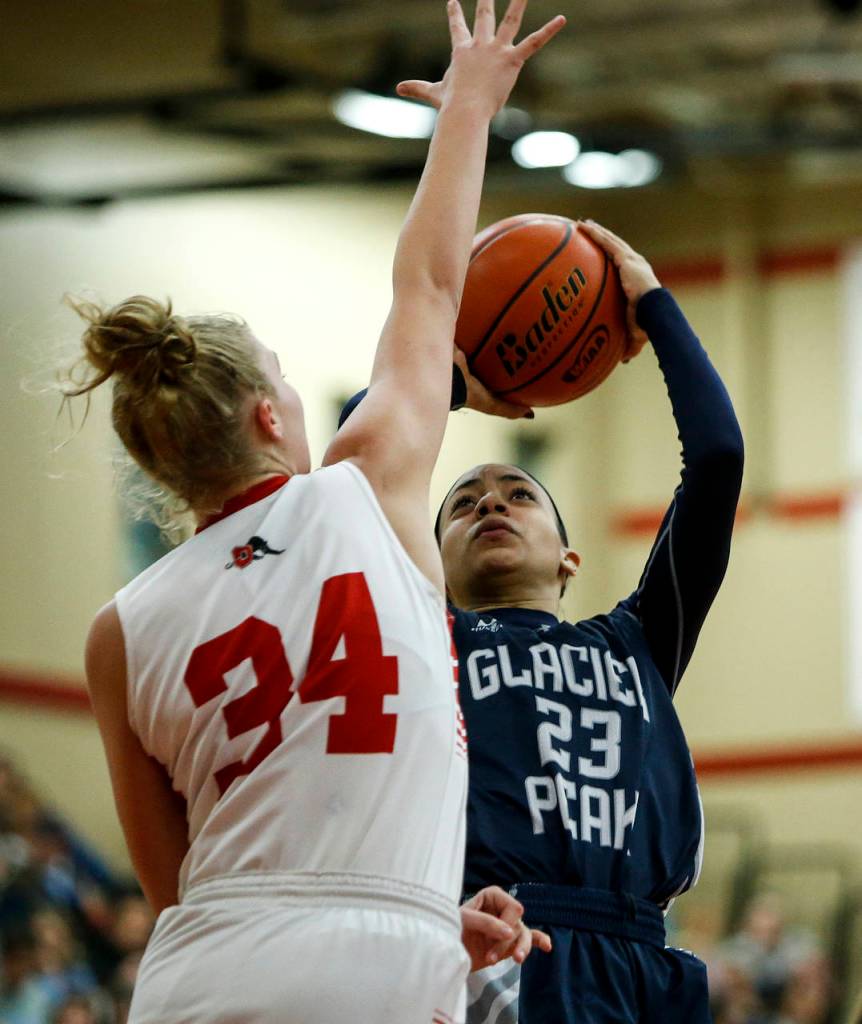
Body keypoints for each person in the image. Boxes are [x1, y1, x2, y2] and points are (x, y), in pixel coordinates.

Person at [66, 3, 565, 1022]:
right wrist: (469, 107)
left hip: (204, 974)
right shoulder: (364, 484)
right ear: (268, 413)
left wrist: (420, 912)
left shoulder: (120, 629)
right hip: (379, 974)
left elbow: (180, 889)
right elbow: (431, 286)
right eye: (286, 379)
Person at [434, 220, 745, 1023]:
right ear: (431, 566)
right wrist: (445, 386)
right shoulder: (426, 642)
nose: (491, 504)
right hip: (502, 943)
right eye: (463, 503)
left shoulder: (638, 641)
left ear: (569, 559)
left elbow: (717, 459)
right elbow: (355, 481)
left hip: (646, 962)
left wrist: (655, 306)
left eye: (519, 495)